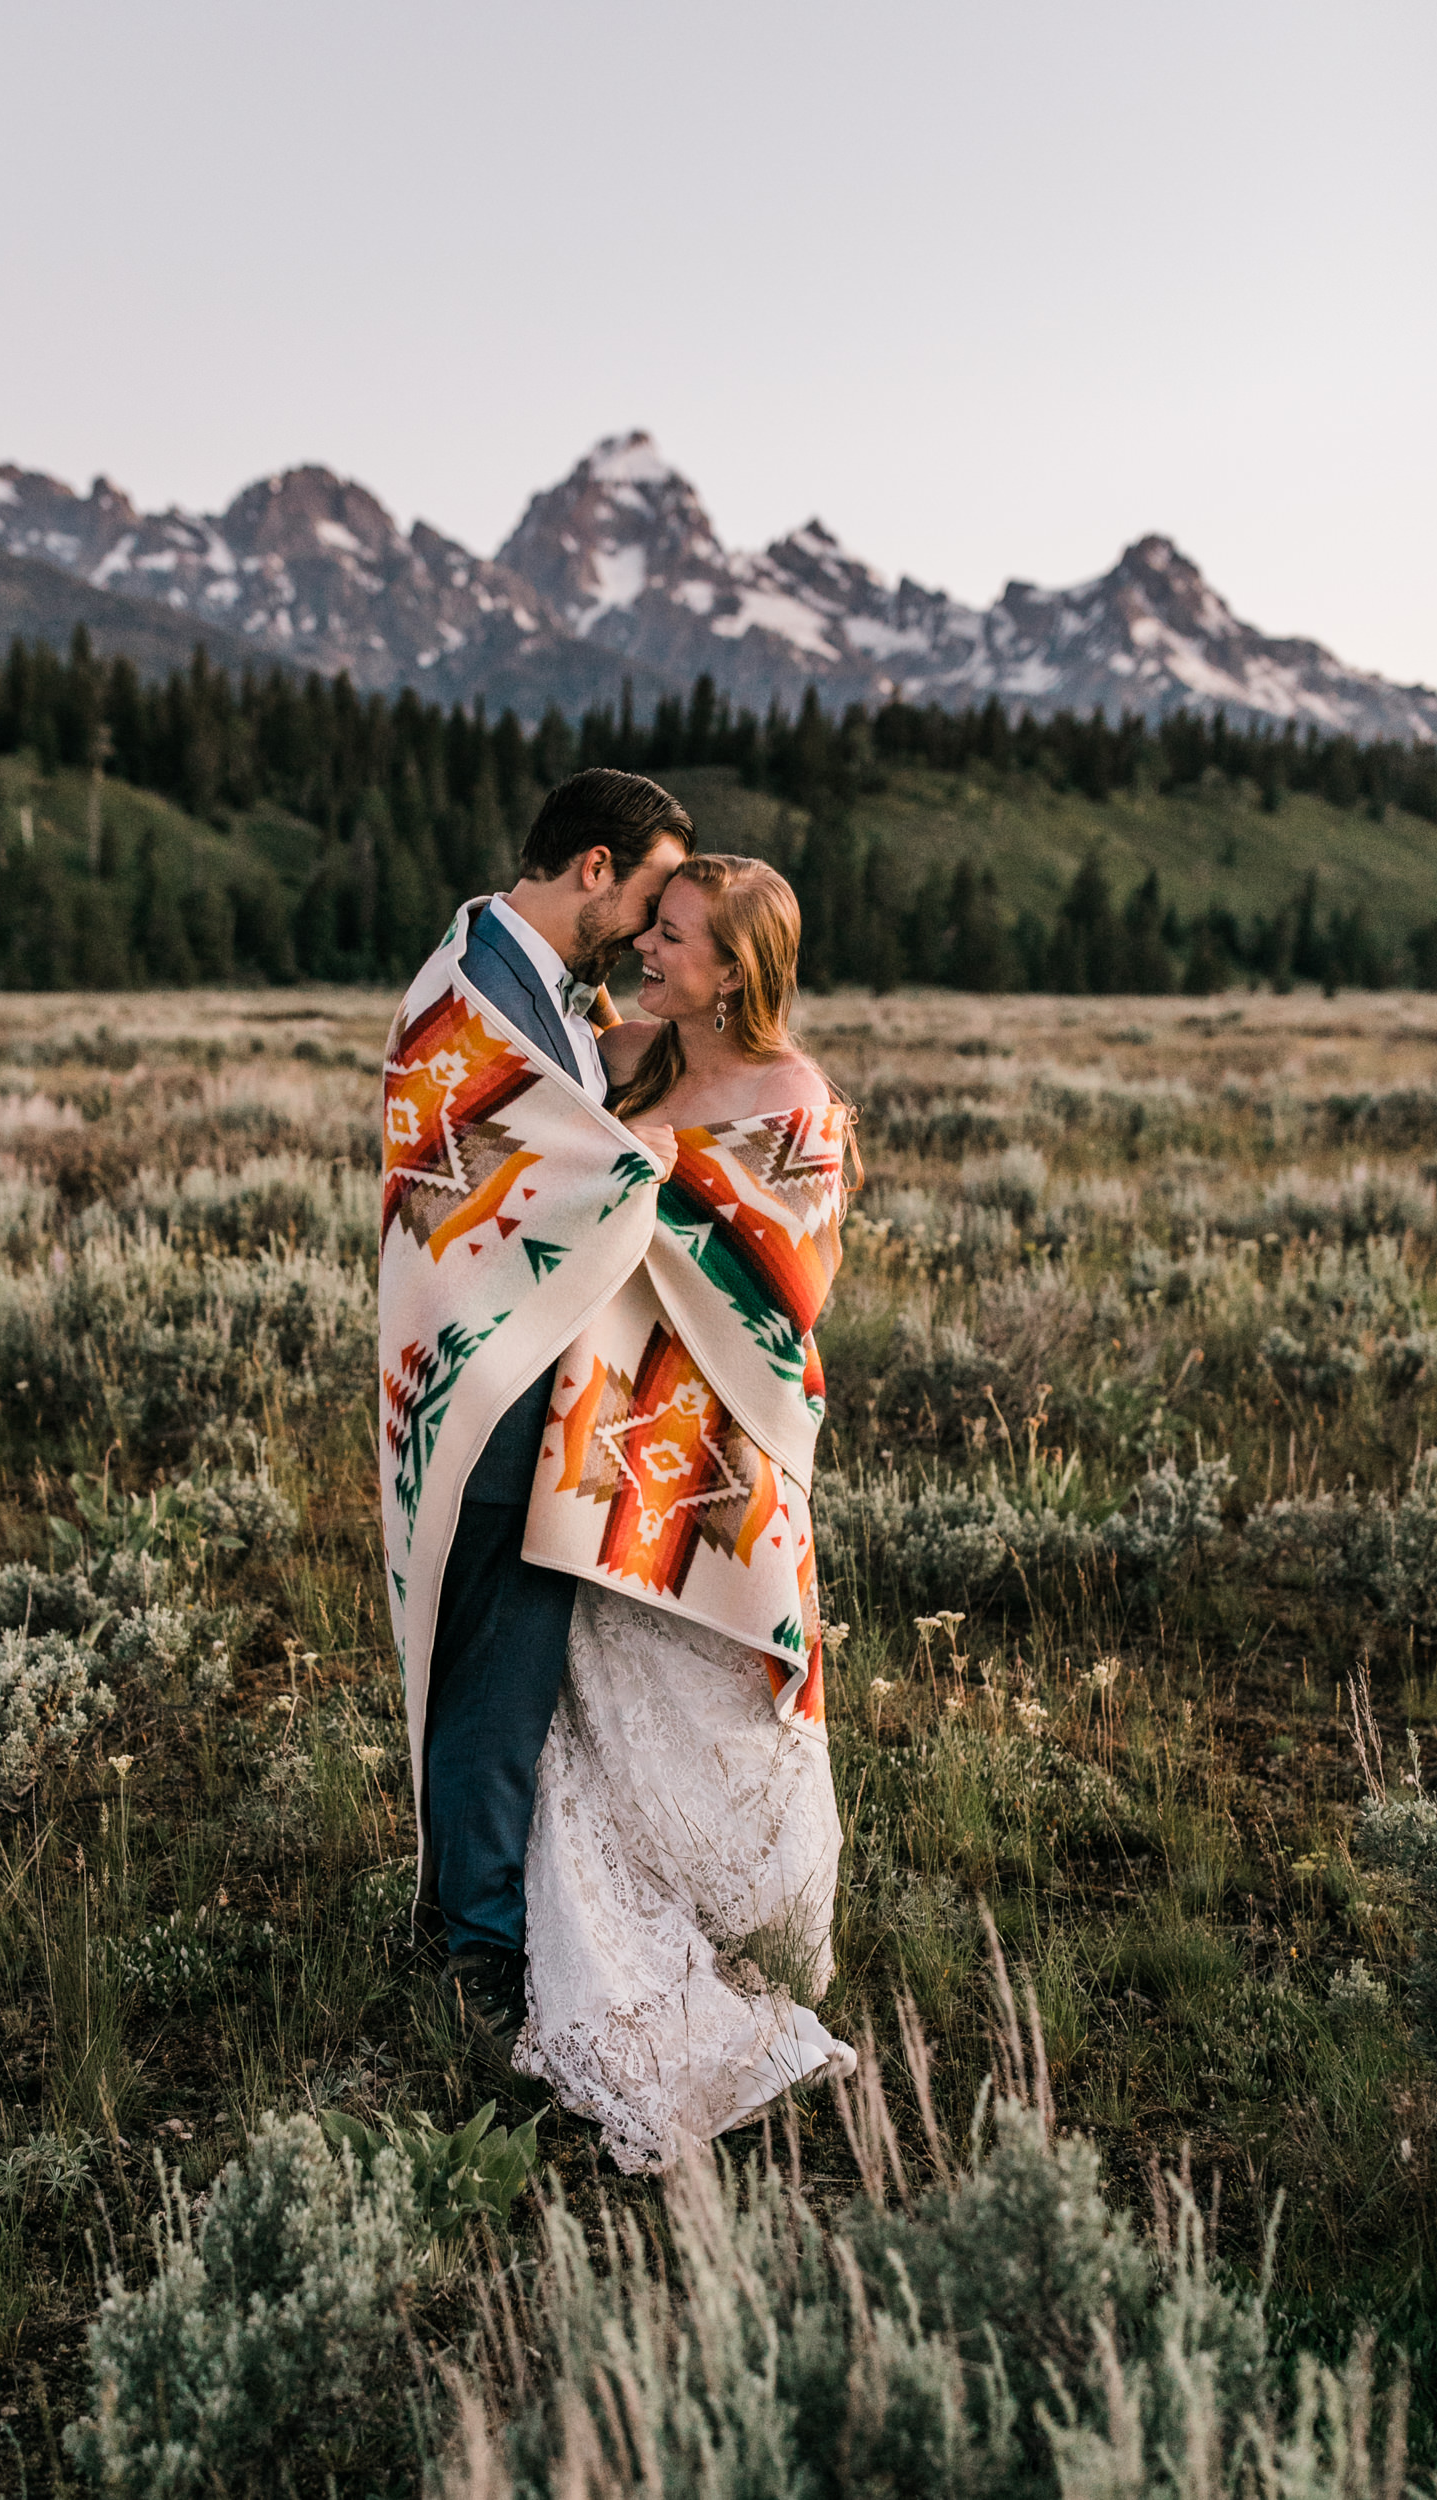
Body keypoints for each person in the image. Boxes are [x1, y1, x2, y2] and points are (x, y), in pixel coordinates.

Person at [513, 854, 860, 2171]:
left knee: (723, 1680)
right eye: (649, 928)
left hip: (728, 1444)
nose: (642, 950)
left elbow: (795, 1284)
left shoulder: (795, 1098)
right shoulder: (631, 1055)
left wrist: (678, 1175)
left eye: (670, 938)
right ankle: (621, 1938)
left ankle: (754, 1924)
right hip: (612, 1441)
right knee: (604, 1693)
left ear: (735, 970)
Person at [423, 769, 693, 2060]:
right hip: (494, 1390)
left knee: (503, 1676)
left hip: (529, 1376)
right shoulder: (475, 988)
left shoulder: (537, 988)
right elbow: (519, 1151)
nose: (647, 931)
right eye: (646, 896)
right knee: (496, 1678)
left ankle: (473, 1913)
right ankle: (477, 1950)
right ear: (595, 865)